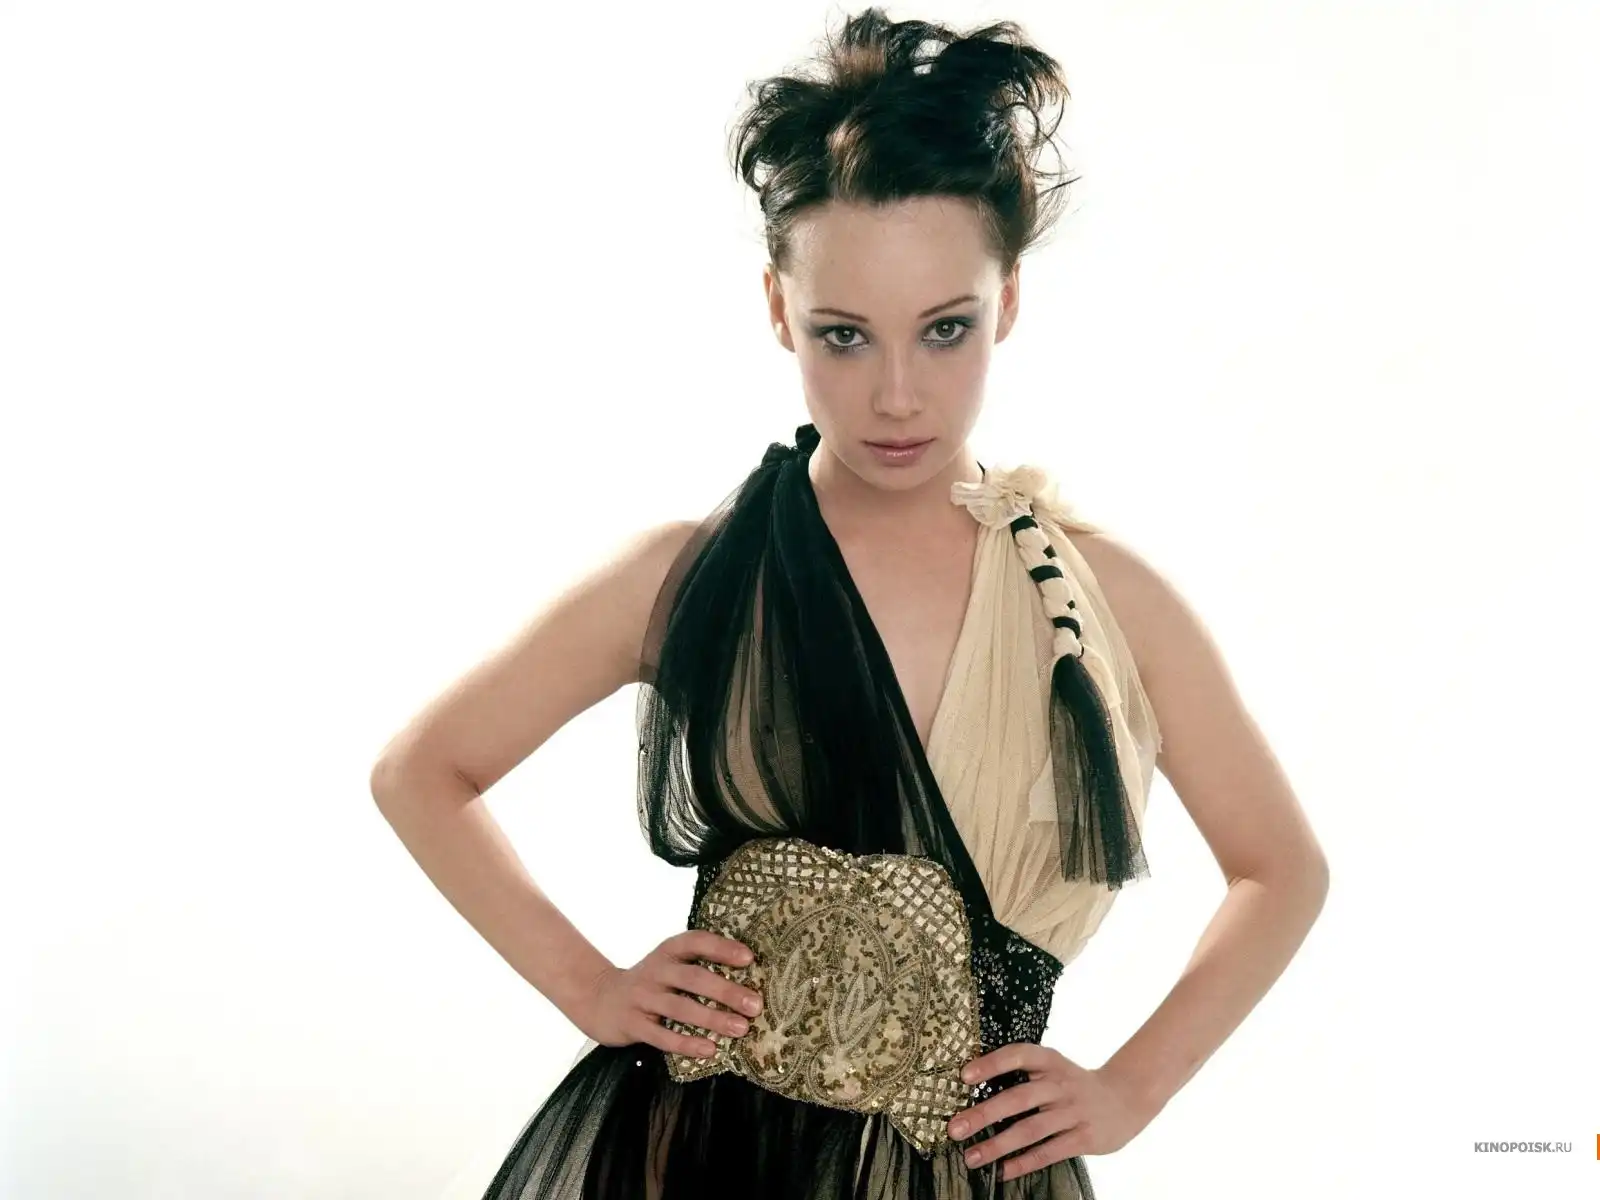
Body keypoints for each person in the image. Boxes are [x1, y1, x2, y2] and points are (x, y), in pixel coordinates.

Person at [370, 9, 1330, 1197]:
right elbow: (422, 771)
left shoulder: (1104, 603)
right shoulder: (693, 576)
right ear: (779, 309)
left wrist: (1132, 1088)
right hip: (696, 1153)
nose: (896, 395)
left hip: (966, 1166)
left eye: (944, 330)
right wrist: (592, 987)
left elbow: (1280, 869)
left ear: (1006, 303)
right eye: (843, 335)